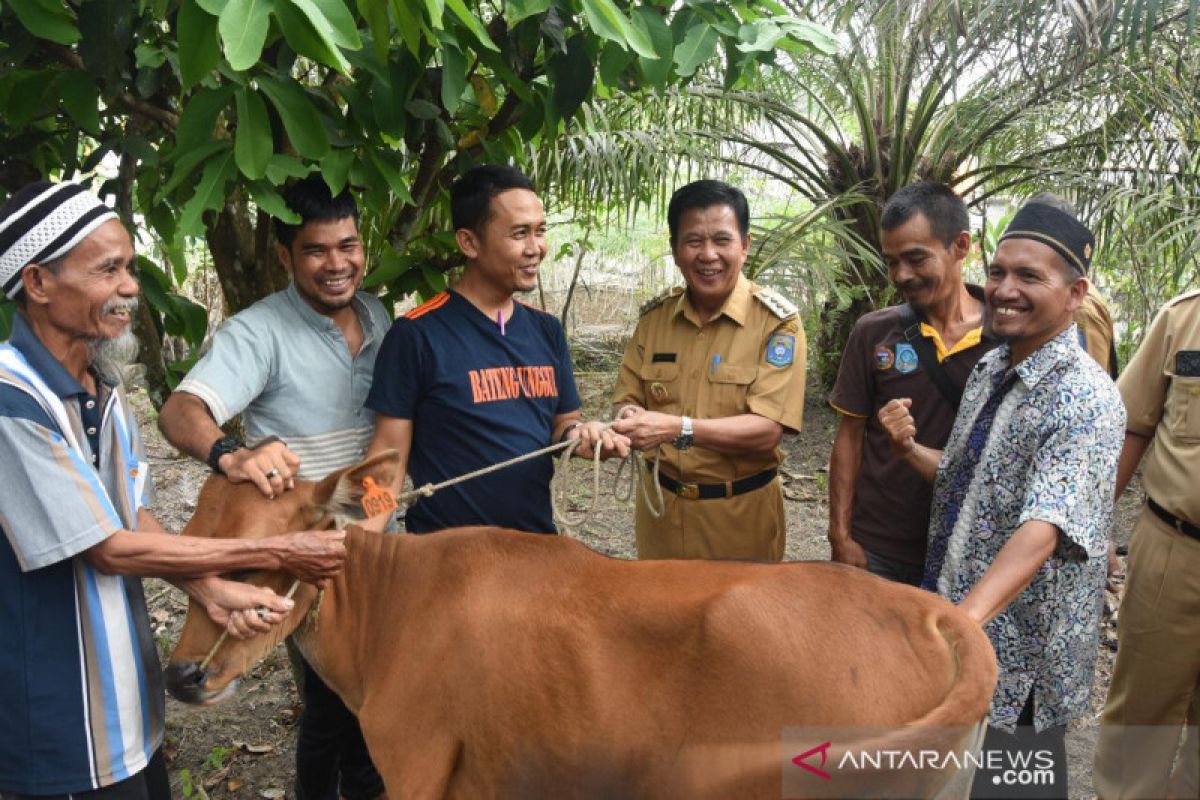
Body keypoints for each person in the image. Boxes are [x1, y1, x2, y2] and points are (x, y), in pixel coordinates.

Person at [0, 180, 345, 798]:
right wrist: (276, 554)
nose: (131, 287)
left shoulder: (103, 394)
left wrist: (211, 591)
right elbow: (108, 548)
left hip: (126, 713)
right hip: (55, 721)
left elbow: (137, 519)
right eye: (108, 270)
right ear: (38, 284)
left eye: (130, 268)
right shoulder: (12, 402)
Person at [878, 199, 1124, 797]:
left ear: (1074, 293)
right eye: (998, 273)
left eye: (1029, 277)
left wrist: (962, 621)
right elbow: (971, 485)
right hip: (965, 633)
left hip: (1022, 660)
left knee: (1015, 787)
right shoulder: (993, 369)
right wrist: (911, 449)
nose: (1005, 290)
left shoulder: (1084, 399)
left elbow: (1045, 523)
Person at [158, 177, 389, 800]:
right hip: (298, 556)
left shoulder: (379, 316)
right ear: (286, 257)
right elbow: (180, 410)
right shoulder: (257, 333)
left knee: (373, 703)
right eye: (316, 251)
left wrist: (378, 516)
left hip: (374, 531)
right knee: (332, 709)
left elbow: (384, 461)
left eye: (348, 245)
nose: (337, 264)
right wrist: (229, 453)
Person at [365, 164, 627, 534]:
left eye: (540, 231)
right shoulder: (417, 335)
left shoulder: (546, 330)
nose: (535, 248)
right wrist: (356, 541)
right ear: (469, 242)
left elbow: (564, 425)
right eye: (520, 234)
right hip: (448, 561)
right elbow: (385, 463)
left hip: (533, 551)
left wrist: (582, 437)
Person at [609, 179, 806, 561]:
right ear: (675, 249)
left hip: (740, 517)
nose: (708, 255)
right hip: (661, 516)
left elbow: (767, 429)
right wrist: (628, 416)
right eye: (694, 241)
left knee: (739, 622)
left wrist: (675, 428)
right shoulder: (655, 319)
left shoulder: (777, 324)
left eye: (722, 240)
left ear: (744, 246)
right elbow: (627, 398)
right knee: (660, 617)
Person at [827, 181, 997, 585]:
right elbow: (849, 437)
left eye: (916, 259)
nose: (901, 275)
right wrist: (840, 535)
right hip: (881, 548)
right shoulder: (874, 332)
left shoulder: (1007, 338)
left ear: (961, 247)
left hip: (971, 547)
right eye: (891, 262)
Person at [1092, 290, 1200, 799]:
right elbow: (1131, 425)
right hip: (1173, 549)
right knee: (1141, 712)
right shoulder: (1185, 318)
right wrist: (1093, 525)